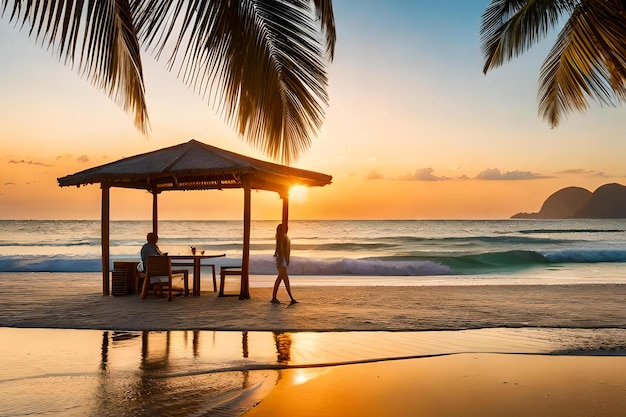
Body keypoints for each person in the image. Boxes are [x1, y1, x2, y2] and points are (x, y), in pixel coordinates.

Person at [271, 223, 297, 304]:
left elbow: (278, 250)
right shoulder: (282, 237)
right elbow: (281, 250)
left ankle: (291, 298)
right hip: (282, 260)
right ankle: (274, 298)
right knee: (281, 279)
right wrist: (283, 261)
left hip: (282, 260)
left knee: (285, 280)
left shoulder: (280, 236)